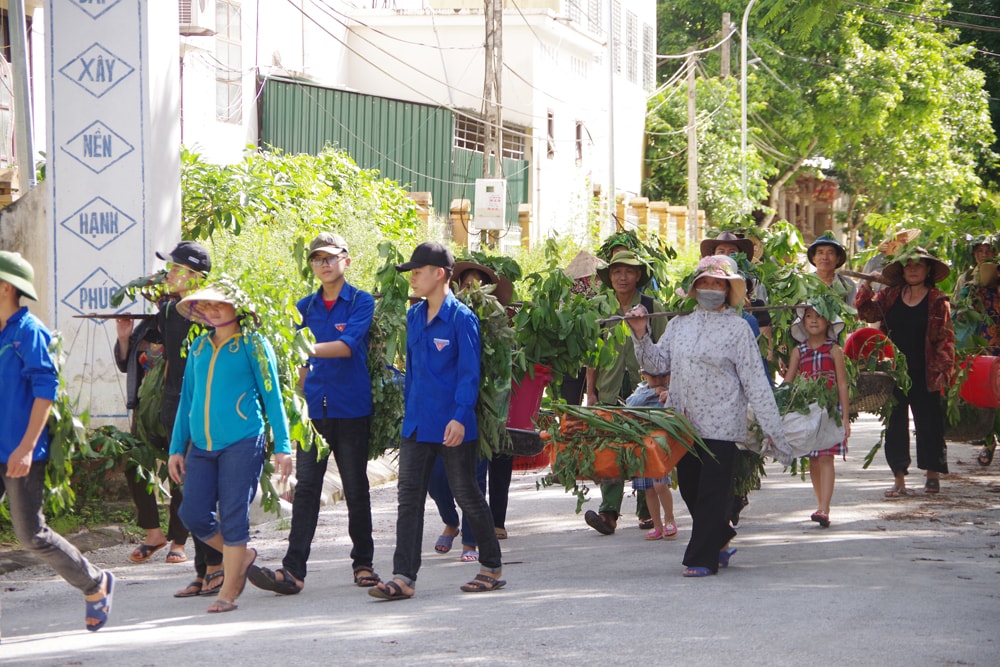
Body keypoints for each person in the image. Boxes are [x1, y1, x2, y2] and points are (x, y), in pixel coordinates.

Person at [627, 255, 787, 577]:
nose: (711, 288)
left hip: (722, 423)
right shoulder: (678, 325)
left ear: (728, 291)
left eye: (718, 284)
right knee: (689, 488)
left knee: (712, 492)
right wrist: (641, 333)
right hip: (682, 423)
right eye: (705, 283)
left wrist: (772, 427)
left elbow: (755, 380)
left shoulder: (739, 329)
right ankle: (722, 536)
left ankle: (702, 558)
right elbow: (657, 365)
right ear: (695, 288)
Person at [370, 242, 504, 600]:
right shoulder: (415, 317)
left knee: (467, 495)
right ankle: (403, 576)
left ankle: (490, 565)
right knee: (408, 500)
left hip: (452, 426)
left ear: (439, 274)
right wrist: (408, 416)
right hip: (417, 425)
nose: (412, 277)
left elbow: (468, 374)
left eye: (417, 271)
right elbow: (413, 372)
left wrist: (461, 417)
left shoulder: (462, 319)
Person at [247, 233, 380, 595]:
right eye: (317, 259)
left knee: (356, 487)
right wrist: (299, 398)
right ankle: (292, 571)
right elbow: (300, 366)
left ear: (346, 261)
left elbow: (347, 347)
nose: (324, 264)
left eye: (331, 257)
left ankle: (363, 563)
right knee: (306, 490)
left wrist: (299, 346)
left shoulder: (360, 302)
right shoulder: (303, 307)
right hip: (313, 413)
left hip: (351, 408)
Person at [0, 251, 114, 632]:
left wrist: (28, 447)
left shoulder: (29, 332)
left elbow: (45, 391)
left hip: (20, 451)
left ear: (5, 287)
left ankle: (95, 584)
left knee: (30, 534)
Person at [167, 286, 293, 613]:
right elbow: (187, 401)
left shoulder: (254, 344)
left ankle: (228, 592)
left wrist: (282, 446)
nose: (212, 310)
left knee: (234, 517)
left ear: (238, 307)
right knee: (192, 513)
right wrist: (176, 447)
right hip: (202, 446)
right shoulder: (198, 347)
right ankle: (242, 558)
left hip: (242, 441)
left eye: (219, 304)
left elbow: (273, 397)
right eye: (206, 305)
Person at [118, 242, 226, 597]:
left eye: (175, 269)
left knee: (196, 488)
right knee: (183, 479)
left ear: (195, 278)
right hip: (172, 403)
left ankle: (215, 564)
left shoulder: (215, 310)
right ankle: (202, 570)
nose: (168, 274)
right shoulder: (167, 311)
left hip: (202, 404)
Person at [428, 261, 513, 552]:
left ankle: (470, 541)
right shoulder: (444, 318)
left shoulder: (497, 326)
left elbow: (503, 374)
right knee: (436, 476)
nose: (472, 290)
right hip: (444, 408)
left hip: (482, 412)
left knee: (474, 475)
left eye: (479, 285)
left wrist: (496, 415)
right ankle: (450, 521)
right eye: (467, 284)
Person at [856, 248, 955, 496]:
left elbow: (946, 339)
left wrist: (944, 369)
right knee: (894, 423)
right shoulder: (890, 295)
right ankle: (899, 478)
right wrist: (867, 283)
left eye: (918, 266)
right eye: (908, 266)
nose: (912, 270)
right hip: (895, 372)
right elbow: (867, 312)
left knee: (929, 423)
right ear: (901, 270)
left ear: (928, 270)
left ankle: (932, 473)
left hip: (926, 370)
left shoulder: (937, 300)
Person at [583, 250, 666, 535]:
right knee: (610, 448)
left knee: (645, 447)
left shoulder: (651, 306)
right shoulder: (601, 308)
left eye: (628, 272)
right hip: (609, 387)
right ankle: (609, 513)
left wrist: (663, 387)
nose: (622, 277)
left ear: (638, 275)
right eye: (617, 271)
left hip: (645, 390)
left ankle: (646, 511)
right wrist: (590, 391)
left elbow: (665, 352)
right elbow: (592, 354)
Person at [783, 303, 850, 528]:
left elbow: (842, 384)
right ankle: (819, 503)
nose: (813, 320)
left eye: (819, 316)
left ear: (829, 322)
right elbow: (789, 382)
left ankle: (825, 507)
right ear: (801, 323)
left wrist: (845, 417)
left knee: (826, 457)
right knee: (813, 458)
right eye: (808, 316)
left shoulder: (834, 350)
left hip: (829, 410)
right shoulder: (798, 351)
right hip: (807, 411)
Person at [952, 236, 999, 466]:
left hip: (997, 340)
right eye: (979, 251)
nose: (983, 255)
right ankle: (988, 441)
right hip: (978, 342)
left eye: (987, 250)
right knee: (985, 391)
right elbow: (957, 311)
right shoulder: (966, 278)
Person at [624, 370, 677, 541]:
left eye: (662, 376)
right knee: (648, 488)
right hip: (642, 445)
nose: (658, 380)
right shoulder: (641, 391)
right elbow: (629, 405)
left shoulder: (672, 390)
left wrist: (667, 395)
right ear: (643, 376)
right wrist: (651, 393)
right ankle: (657, 526)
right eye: (653, 377)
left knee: (660, 484)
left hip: (661, 444)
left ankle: (670, 518)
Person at [808, 234, 856, 306]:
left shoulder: (847, 285)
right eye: (820, 252)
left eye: (830, 253)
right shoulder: (805, 282)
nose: (825, 257)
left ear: (837, 259)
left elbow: (853, 312)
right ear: (813, 258)